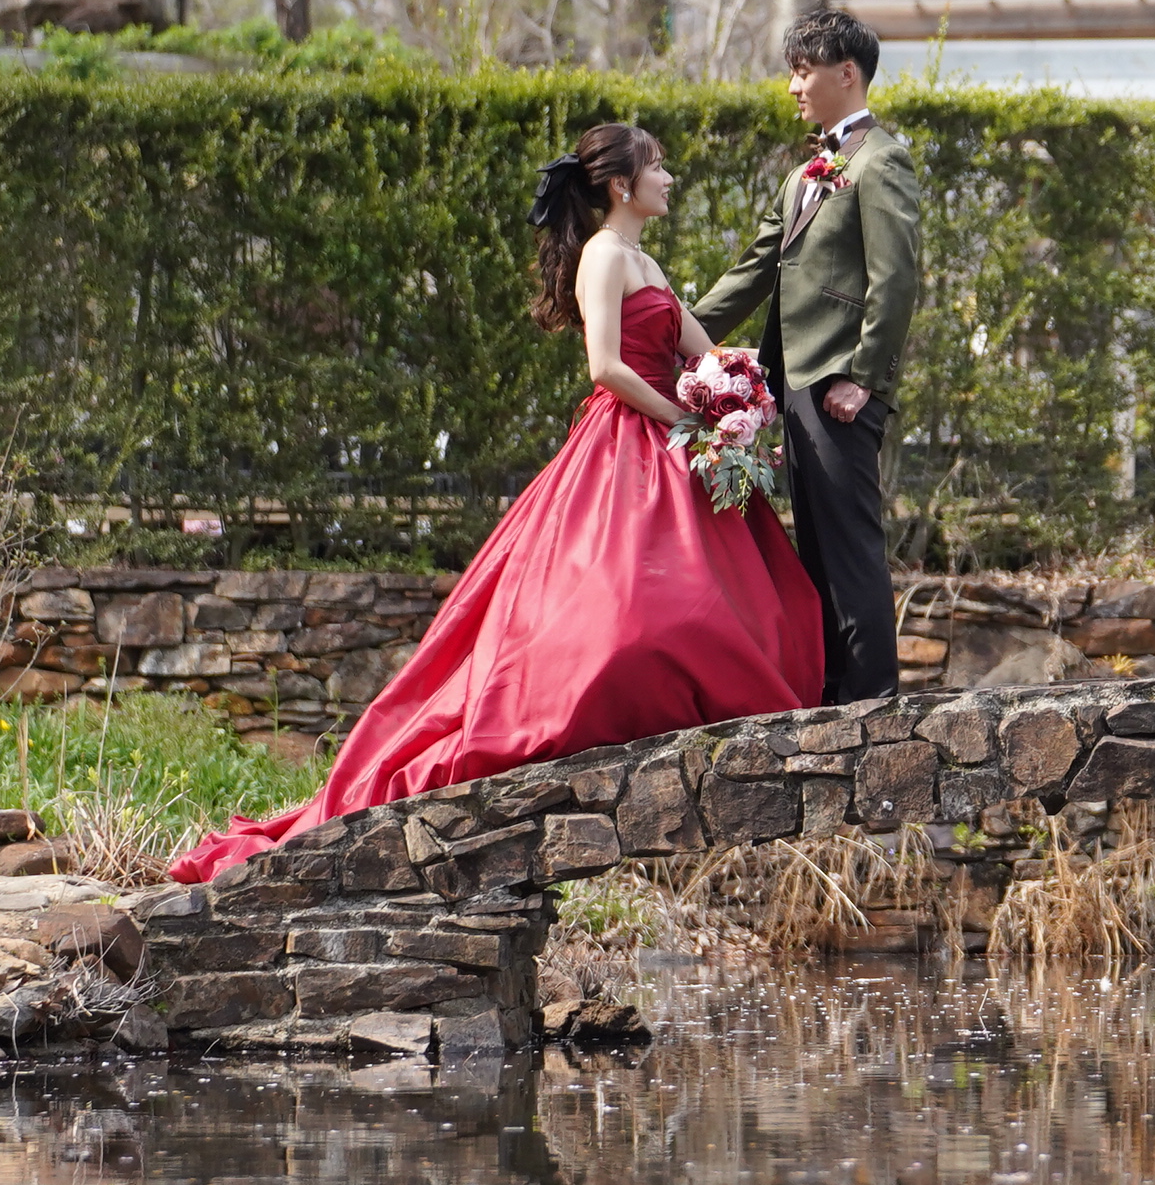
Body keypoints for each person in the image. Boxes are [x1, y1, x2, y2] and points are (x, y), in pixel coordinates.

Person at [167, 123, 824, 884]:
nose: (669, 178)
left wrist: (733, 395)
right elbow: (607, 365)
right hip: (626, 445)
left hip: (672, 442)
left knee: (734, 595)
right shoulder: (604, 257)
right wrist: (684, 419)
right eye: (658, 166)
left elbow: (700, 354)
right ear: (621, 184)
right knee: (637, 610)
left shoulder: (645, 259)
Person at [695, 7, 921, 707]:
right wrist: (670, 329)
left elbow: (897, 278)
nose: (792, 85)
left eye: (803, 71)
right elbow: (755, 267)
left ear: (845, 73)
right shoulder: (805, 176)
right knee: (815, 545)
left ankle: (872, 702)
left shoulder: (883, 160)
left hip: (838, 389)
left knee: (849, 545)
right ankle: (831, 695)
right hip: (793, 388)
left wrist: (863, 377)